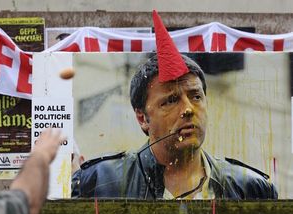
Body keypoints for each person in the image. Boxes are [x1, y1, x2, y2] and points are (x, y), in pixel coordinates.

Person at [71, 52, 278, 200]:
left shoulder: (251, 189)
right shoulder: (98, 183)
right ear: (142, 118)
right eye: (171, 100)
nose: (188, 109)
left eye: (196, 96)